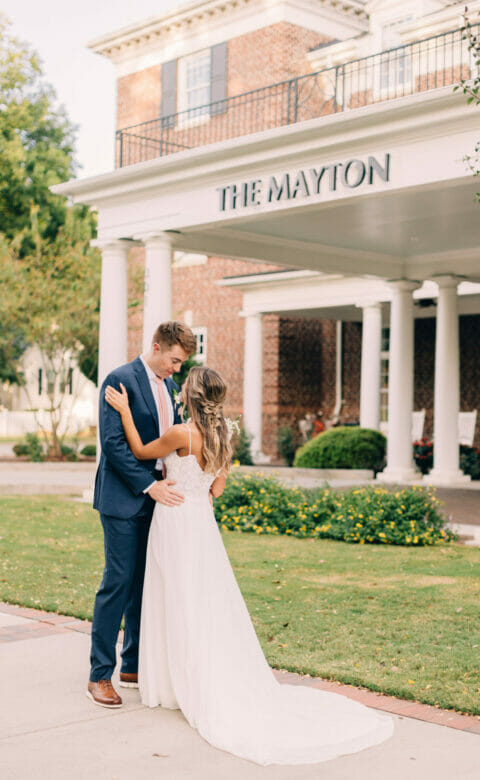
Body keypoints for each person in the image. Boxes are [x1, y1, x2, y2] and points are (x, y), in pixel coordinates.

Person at [104, 365, 393, 766]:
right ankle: (194, 672)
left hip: (174, 519)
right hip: (202, 524)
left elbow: (139, 451)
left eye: (184, 387)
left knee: (174, 595)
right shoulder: (224, 436)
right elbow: (217, 488)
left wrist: (123, 412)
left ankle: (175, 681)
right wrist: (198, 485)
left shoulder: (182, 434)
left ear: (190, 396)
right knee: (202, 598)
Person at [87, 321, 197, 709]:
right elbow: (114, 446)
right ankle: (100, 674)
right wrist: (149, 485)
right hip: (123, 498)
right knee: (117, 583)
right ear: (156, 347)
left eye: (182, 363)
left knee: (146, 584)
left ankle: (133, 665)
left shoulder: (168, 387)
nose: (177, 369)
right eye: (174, 360)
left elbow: (161, 445)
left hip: (159, 500)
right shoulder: (119, 380)